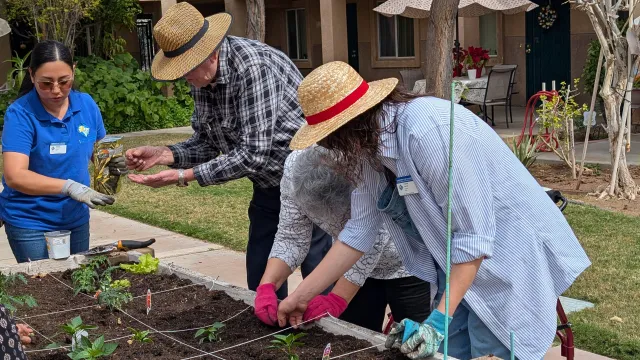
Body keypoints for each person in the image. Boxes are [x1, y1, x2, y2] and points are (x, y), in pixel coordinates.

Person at [276, 62, 591, 360]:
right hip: (456, 263)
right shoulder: (372, 147)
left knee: (489, 346)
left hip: (504, 258)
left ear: (349, 127)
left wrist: (437, 322)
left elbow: (474, 236)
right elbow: (359, 230)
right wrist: (301, 296)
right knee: (451, 350)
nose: (335, 150)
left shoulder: (425, 131)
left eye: (333, 140)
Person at [124, 3, 330, 300]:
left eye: (186, 69)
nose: (184, 78)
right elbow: (208, 142)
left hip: (310, 180)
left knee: (318, 271)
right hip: (269, 183)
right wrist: (163, 153)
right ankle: (271, 335)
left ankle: (334, 336)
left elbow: (252, 154)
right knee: (261, 274)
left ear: (210, 53)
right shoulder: (202, 77)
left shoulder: (253, 68)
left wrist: (184, 176)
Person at [254, 146, 432, 332]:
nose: (333, 224)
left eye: (343, 218)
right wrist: (268, 284)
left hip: (409, 263)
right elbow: (291, 236)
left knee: (415, 338)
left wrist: (338, 297)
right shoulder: (293, 172)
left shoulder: (368, 171)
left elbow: (370, 236)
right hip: (347, 264)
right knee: (356, 338)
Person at [0, 40, 120, 263]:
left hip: (75, 217)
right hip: (31, 220)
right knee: (43, 289)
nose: (56, 90)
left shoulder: (86, 104)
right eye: (46, 84)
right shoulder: (20, 114)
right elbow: (15, 176)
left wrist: (111, 163)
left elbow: (99, 151)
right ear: (32, 75)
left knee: (76, 286)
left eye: (64, 82)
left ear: (73, 70)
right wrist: (69, 186)